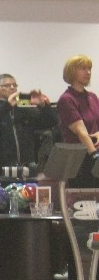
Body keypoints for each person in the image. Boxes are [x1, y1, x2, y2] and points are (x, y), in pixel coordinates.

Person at [0, 73, 57, 177]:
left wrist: (43, 105)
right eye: (7, 85)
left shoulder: (25, 111)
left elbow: (52, 122)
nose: (12, 88)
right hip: (1, 171)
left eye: (14, 85)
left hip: (27, 169)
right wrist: (7, 105)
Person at [57, 55, 99, 188]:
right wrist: (95, 156)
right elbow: (81, 131)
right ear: (72, 71)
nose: (88, 72)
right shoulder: (66, 99)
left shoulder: (92, 97)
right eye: (83, 68)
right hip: (80, 159)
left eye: (89, 68)